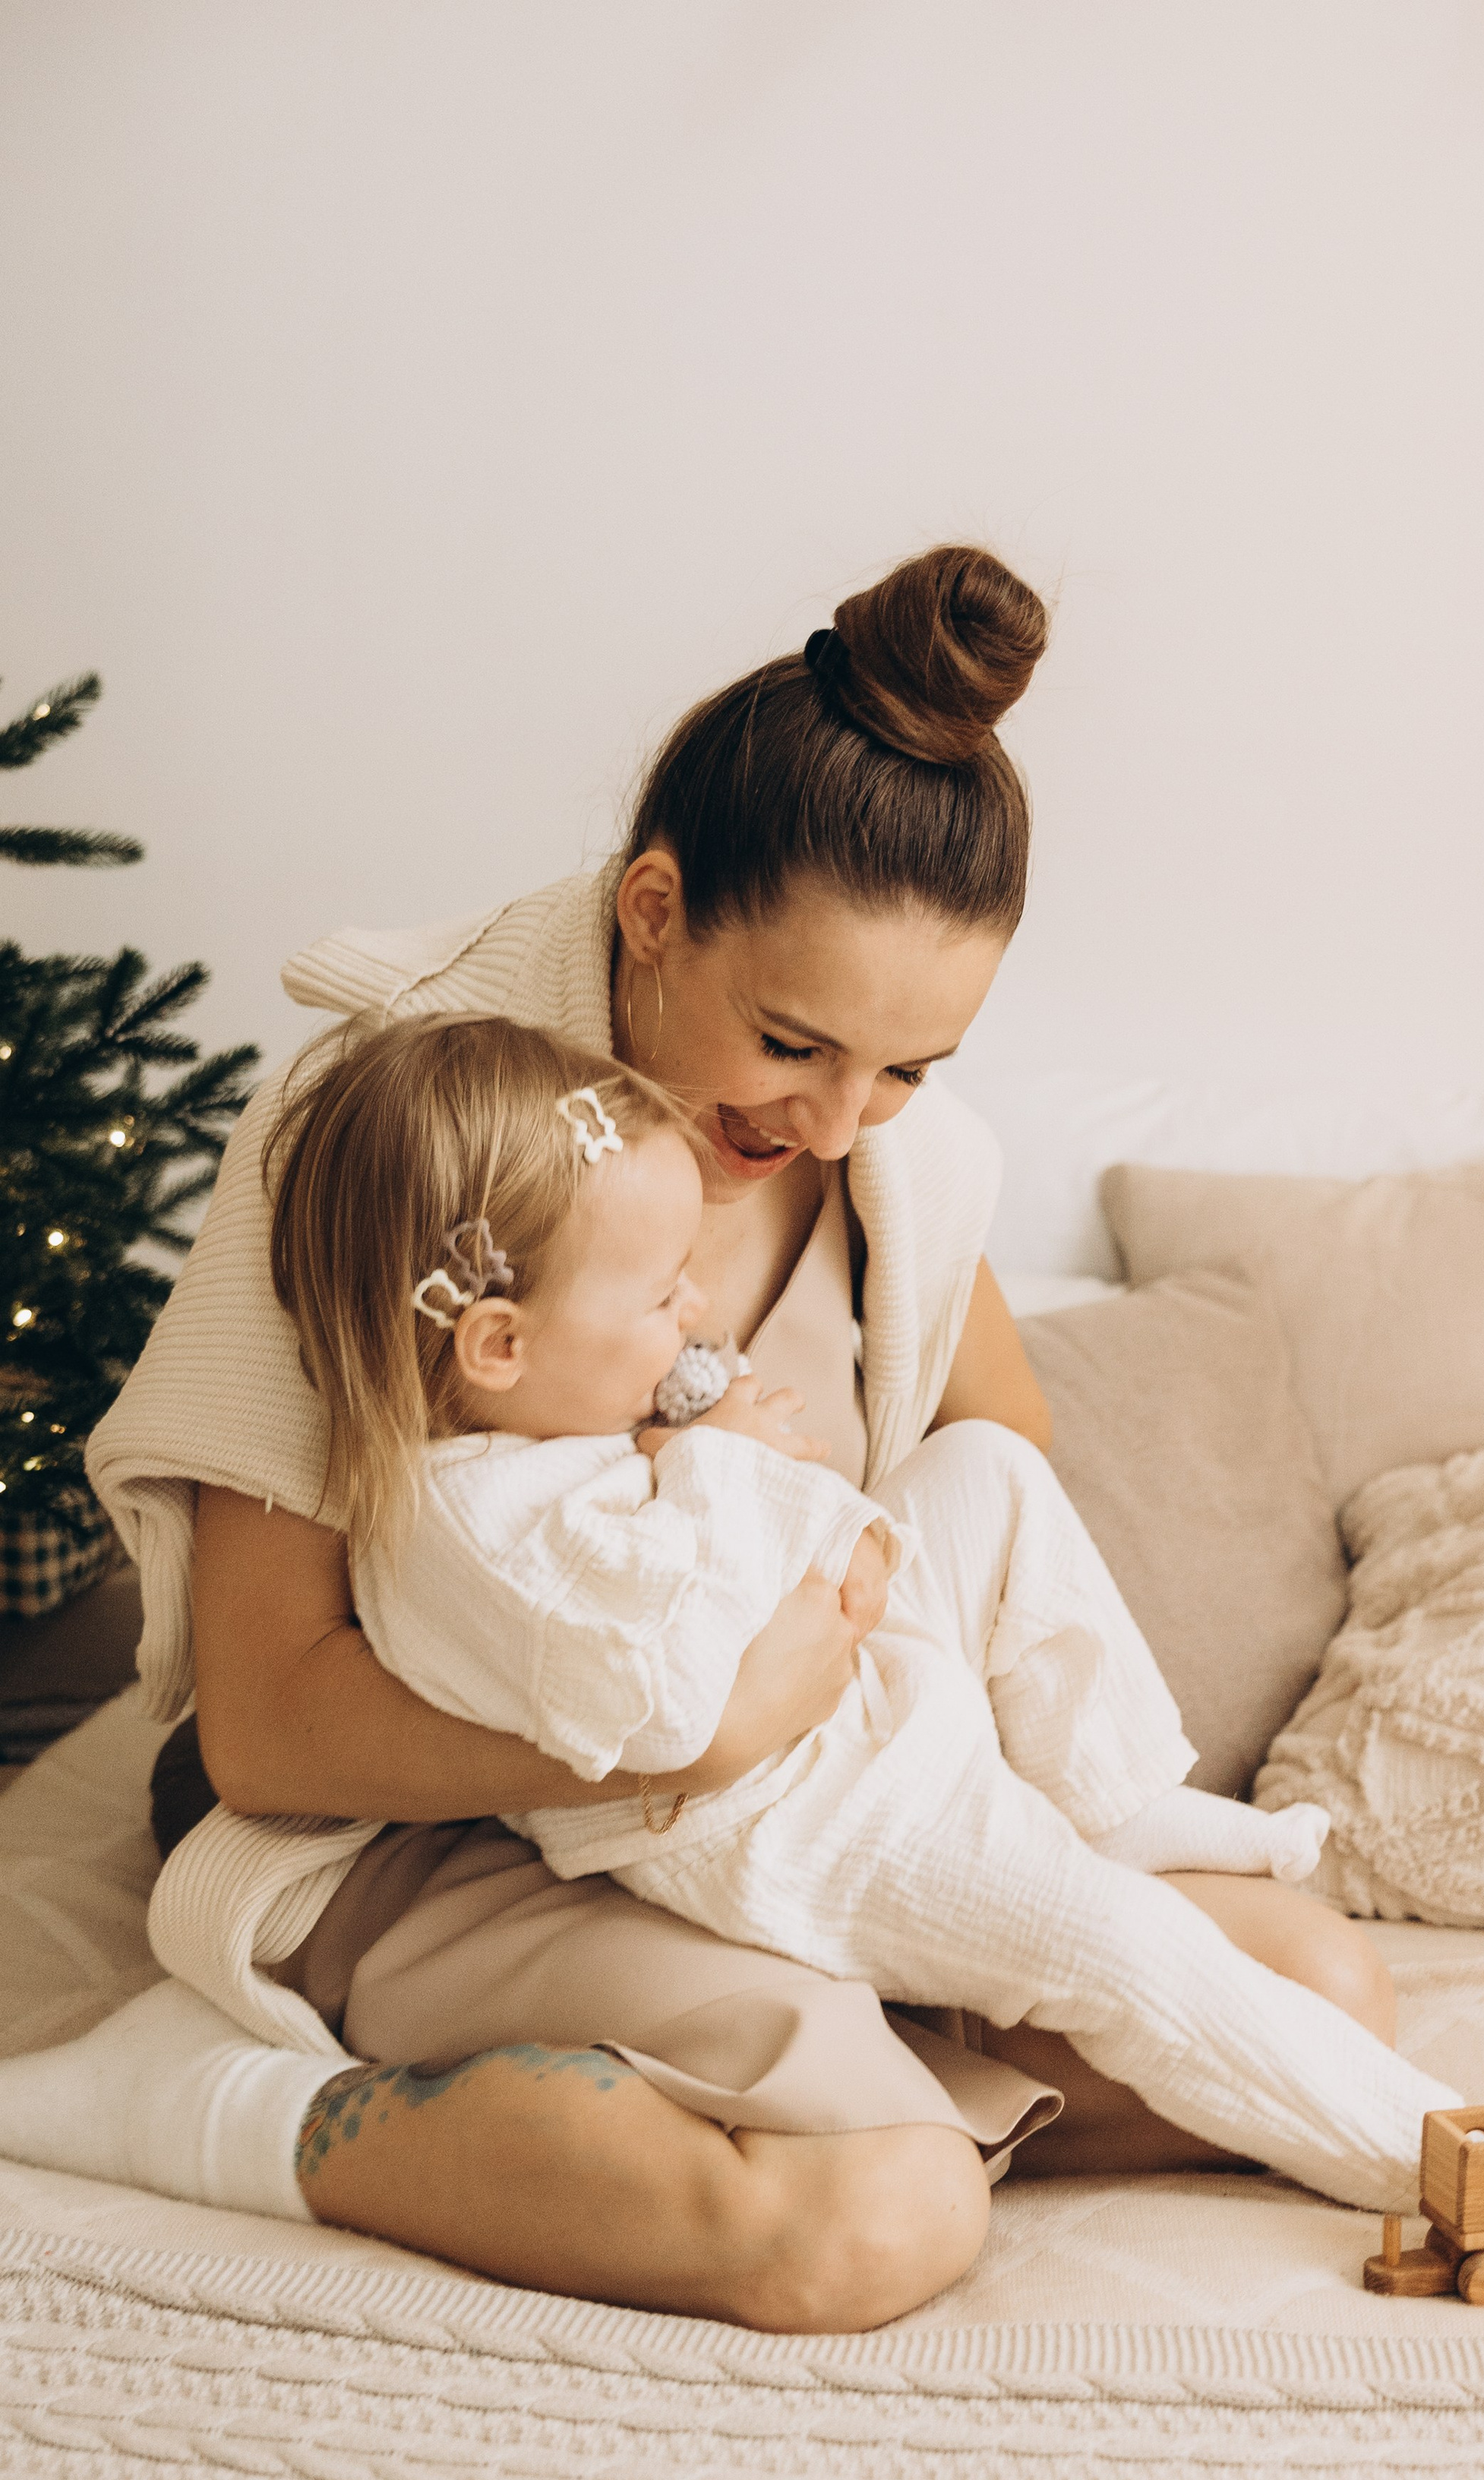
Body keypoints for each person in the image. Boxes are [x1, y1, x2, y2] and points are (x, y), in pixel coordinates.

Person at [4, 545, 1410, 2330]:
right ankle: (250, 2111)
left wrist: (894, 1780)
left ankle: (799, 2031)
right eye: (792, 1041)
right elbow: (273, 1723)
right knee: (876, 2225)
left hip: (763, 1804)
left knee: (1317, 1999)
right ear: (653, 909)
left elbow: (989, 1467)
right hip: (411, 1826)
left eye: (909, 1067)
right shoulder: (394, 1124)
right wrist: (695, 1737)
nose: (836, 1124)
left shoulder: (894, 1170)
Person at [251, 1010, 1444, 2203]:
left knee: (987, 1470)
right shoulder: (466, 1532)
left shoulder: (541, 1430)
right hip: (793, 1822)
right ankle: (1419, 2154)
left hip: (848, 1695)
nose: (694, 1319)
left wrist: (748, 1491)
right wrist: (716, 1459)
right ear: (500, 1342)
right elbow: (670, 1706)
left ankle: (1107, 1800)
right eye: (662, 1297)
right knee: (1117, 1950)